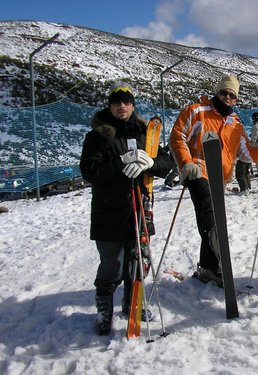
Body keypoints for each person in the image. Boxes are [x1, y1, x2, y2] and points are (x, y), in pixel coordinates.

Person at [168, 75, 258, 286]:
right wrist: (185, 163)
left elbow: (247, 153)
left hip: (221, 180)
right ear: (217, 92)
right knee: (211, 219)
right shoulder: (196, 111)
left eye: (232, 95)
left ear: (236, 99)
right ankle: (216, 251)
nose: (227, 97)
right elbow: (177, 136)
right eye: (224, 93)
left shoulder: (235, 123)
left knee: (209, 217)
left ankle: (208, 268)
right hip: (197, 172)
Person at [80, 81, 172, 335]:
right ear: (109, 106)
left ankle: (134, 301)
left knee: (137, 260)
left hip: (139, 206)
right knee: (112, 263)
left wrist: (149, 162)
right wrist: (120, 162)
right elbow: (90, 172)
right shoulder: (97, 136)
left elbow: (167, 163)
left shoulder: (145, 133)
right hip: (108, 209)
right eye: (117, 102)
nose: (122, 106)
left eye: (127, 101)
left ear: (133, 105)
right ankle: (104, 307)